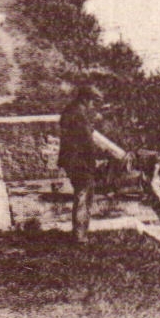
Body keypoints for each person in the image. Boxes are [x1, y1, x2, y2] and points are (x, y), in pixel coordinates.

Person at [58, 84, 103, 243]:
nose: (93, 105)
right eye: (93, 101)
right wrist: (94, 162)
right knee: (84, 197)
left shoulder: (70, 110)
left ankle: (79, 234)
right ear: (85, 99)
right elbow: (87, 142)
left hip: (70, 159)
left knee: (81, 195)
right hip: (80, 161)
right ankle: (80, 236)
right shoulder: (79, 114)